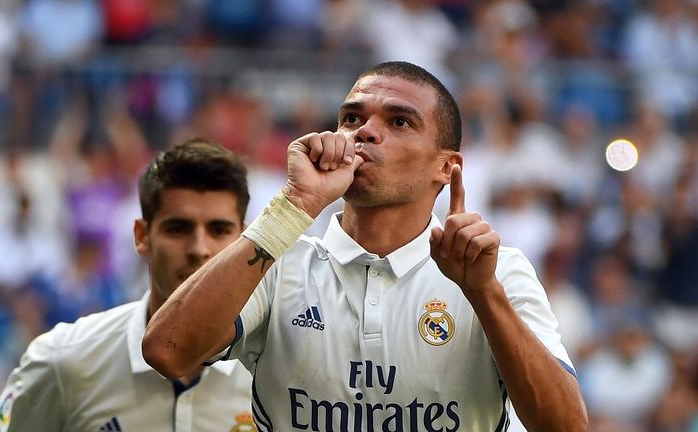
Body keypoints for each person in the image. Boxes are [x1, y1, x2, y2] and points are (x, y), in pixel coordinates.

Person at [143, 61, 588, 431]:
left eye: (398, 121)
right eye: (352, 118)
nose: (365, 132)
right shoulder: (280, 265)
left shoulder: (497, 273)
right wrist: (294, 206)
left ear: (447, 168)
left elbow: (566, 427)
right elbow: (168, 351)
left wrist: (484, 295)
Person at [0, 139, 257, 432]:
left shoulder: (272, 371)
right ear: (142, 236)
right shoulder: (65, 360)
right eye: (178, 228)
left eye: (218, 230)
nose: (199, 248)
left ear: (245, 239)